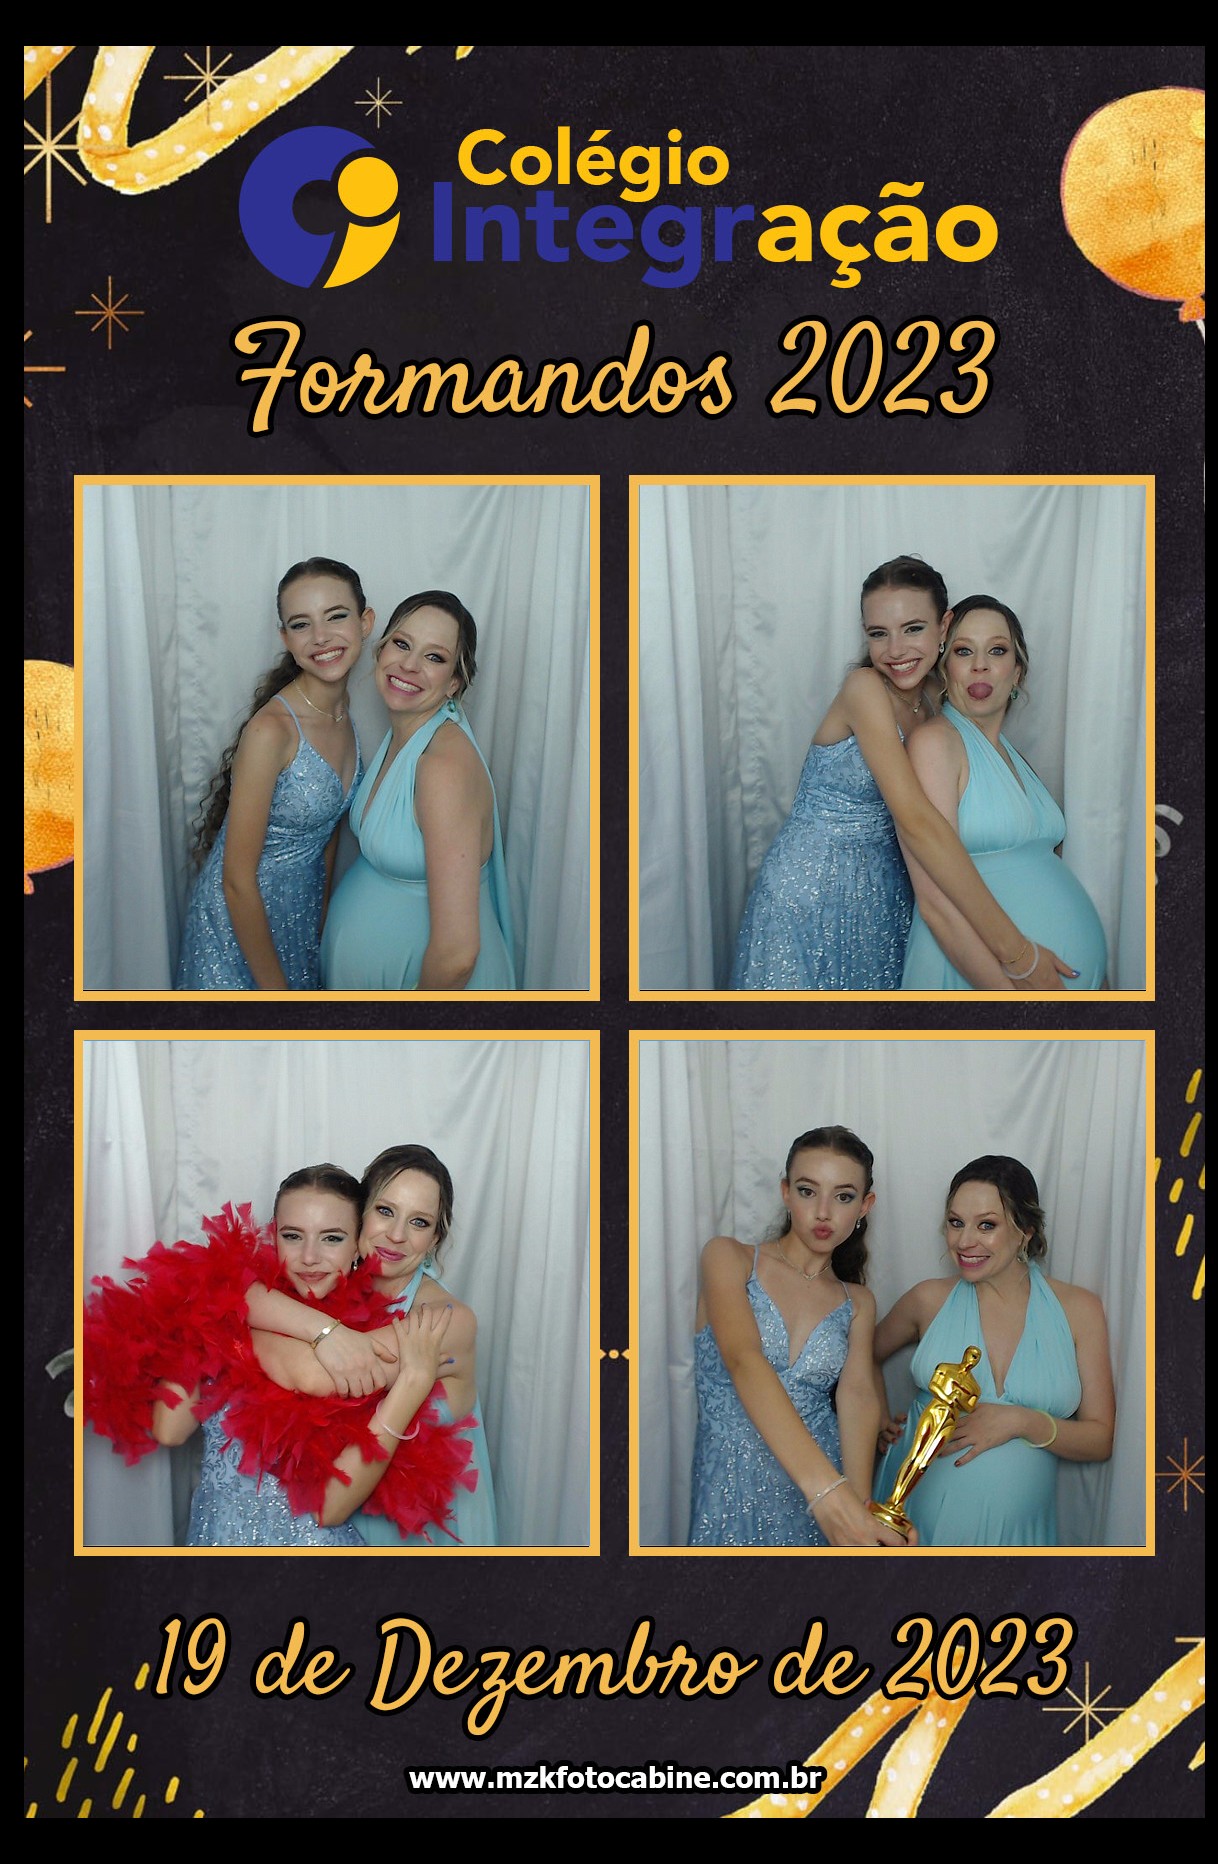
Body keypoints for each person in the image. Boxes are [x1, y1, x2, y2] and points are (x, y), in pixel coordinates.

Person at [728, 556, 1075, 991]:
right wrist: (1017, 953)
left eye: (912, 628)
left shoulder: (937, 698)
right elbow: (915, 820)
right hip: (811, 892)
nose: (895, 650)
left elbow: (983, 771)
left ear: (944, 626)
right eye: (879, 633)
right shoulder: (864, 688)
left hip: (885, 891)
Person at [83, 1166, 472, 1548]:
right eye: (292, 1236)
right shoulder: (246, 1305)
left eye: (332, 1238)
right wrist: (209, 1316)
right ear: (272, 1236)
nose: (309, 1257)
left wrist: (223, 1318)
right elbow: (170, 1429)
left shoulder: (365, 1335)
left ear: (357, 1245)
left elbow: (311, 1384)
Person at [872, 1156, 1115, 1547]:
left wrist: (1023, 1421)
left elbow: (1100, 1439)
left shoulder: (1079, 1309)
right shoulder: (927, 1300)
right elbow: (859, 1357)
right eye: (956, 1222)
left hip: (1021, 1540)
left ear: (1026, 1230)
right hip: (912, 1525)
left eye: (986, 1225)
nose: (964, 1241)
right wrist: (877, 1416)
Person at [688, 1127, 910, 1549]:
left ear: (865, 1206)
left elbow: (858, 1397)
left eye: (843, 1196)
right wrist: (828, 1494)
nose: (823, 1212)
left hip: (823, 1506)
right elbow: (744, 1359)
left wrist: (857, 1510)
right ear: (786, 1193)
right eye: (808, 1191)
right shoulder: (729, 1257)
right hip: (734, 1492)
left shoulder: (858, 1302)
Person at [175, 558, 373, 990]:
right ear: (285, 638)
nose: (321, 637)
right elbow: (236, 880)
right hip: (237, 926)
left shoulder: (342, 713)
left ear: (365, 622)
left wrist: (319, 926)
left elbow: (327, 835)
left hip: (297, 918)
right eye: (301, 624)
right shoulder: (271, 731)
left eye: (336, 616)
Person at [898, 595, 1108, 989]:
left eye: (997, 650)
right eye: (963, 651)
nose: (980, 664)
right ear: (944, 669)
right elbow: (935, 903)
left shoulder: (1017, 759)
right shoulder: (936, 744)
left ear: (1017, 674)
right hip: (979, 980)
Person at [320, 591, 515, 990]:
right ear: (380, 650)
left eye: (435, 657)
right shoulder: (405, 736)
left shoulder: (442, 768)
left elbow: (457, 956)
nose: (409, 665)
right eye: (402, 644)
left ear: (454, 683)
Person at [346, 1144, 498, 1546]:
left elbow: (319, 1372)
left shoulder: (445, 1320)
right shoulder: (333, 1291)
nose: (397, 1235)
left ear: (434, 1239)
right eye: (385, 1211)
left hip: (425, 1537)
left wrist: (301, 1327)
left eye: (419, 1222)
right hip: (345, 1521)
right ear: (359, 1214)